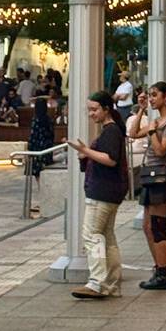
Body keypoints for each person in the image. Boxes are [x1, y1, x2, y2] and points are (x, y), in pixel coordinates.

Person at [68, 90, 128, 299]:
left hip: (102, 191)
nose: (91, 114)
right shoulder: (112, 130)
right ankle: (110, 282)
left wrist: (85, 151)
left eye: (94, 109)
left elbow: (110, 159)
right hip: (110, 191)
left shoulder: (111, 131)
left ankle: (97, 282)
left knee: (92, 236)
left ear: (106, 109)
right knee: (106, 237)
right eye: (89, 110)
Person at [138, 81, 166, 292]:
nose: (152, 98)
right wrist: (140, 110)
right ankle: (158, 269)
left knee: (157, 226)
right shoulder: (157, 121)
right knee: (147, 226)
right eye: (150, 95)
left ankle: (164, 273)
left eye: (155, 95)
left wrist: (152, 132)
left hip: (160, 178)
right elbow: (132, 132)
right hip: (149, 176)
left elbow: (162, 150)